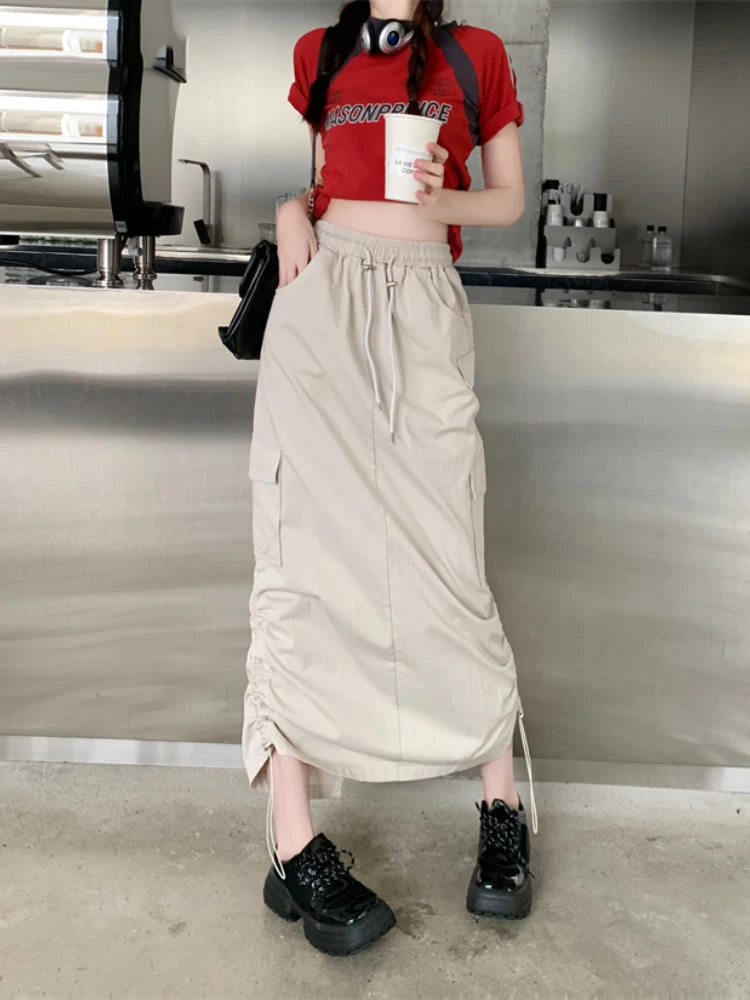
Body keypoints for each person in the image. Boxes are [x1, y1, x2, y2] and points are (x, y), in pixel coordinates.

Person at [242, 0, 538, 957]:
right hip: (321, 303)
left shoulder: (476, 55)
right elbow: (323, 180)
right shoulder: (321, 52)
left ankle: (503, 809)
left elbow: (508, 200)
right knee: (300, 556)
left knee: (452, 561)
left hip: (423, 306)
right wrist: (292, 209)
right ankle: (293, 839)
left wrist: (439, 202)